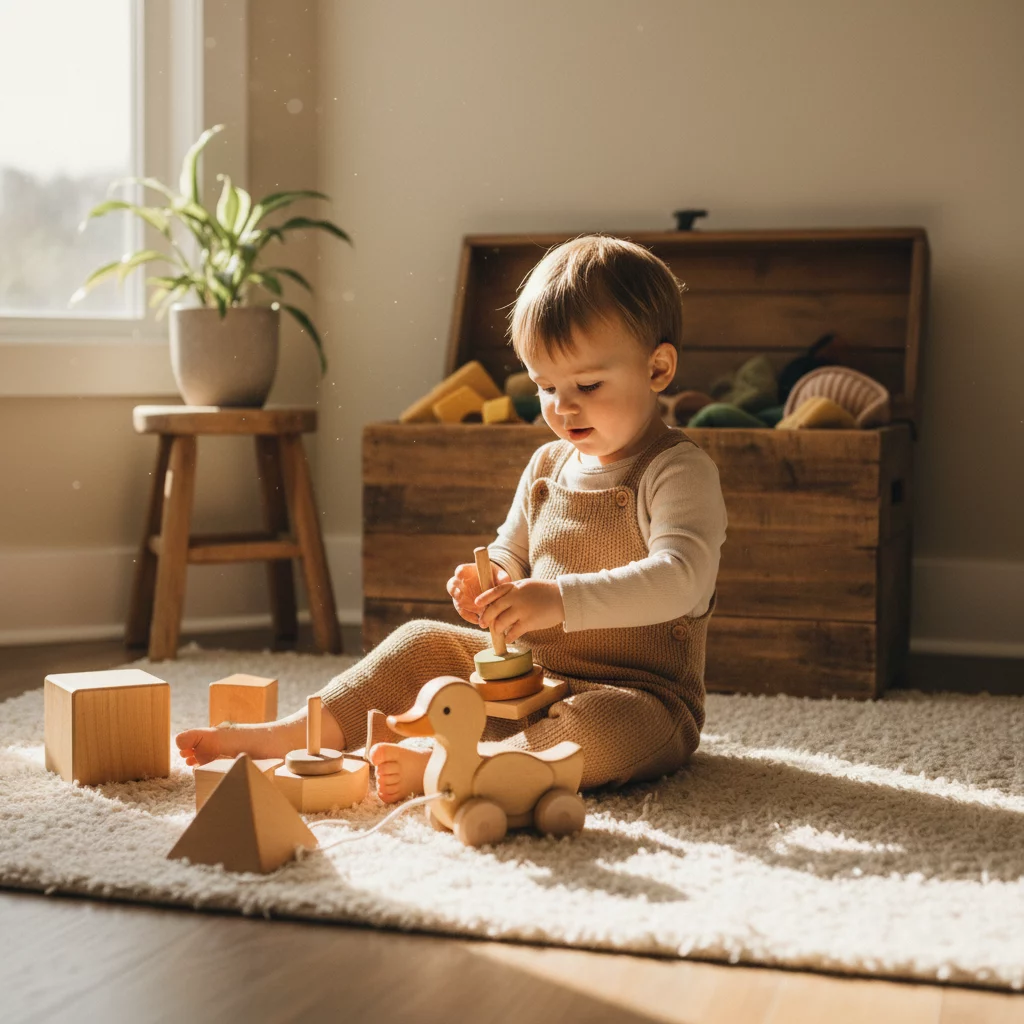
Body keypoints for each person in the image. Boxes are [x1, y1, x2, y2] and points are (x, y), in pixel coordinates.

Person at [175, 234, 728, 804]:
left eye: (587, 385)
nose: (563, 406)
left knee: (591, 732)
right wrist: (489, 584)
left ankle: (458, 766)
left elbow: (681, 579)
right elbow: (510, 550)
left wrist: (557, 599)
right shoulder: (546, 465)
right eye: (545, 386)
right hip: (530, 675)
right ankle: (299, 733)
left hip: (641, 697)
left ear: (658, 368)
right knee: (421, 643)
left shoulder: (677, 471)